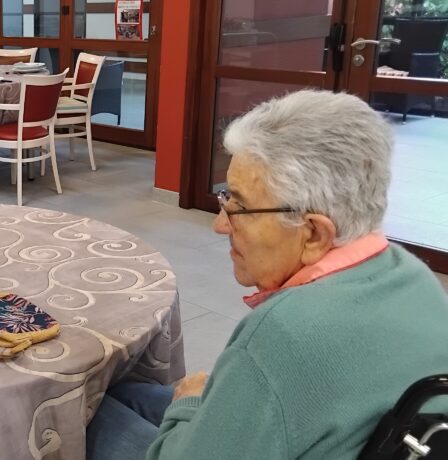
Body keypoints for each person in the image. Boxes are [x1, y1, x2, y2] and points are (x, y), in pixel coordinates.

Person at [86, 90, 448, 459]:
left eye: (239, 206)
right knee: (118, 393)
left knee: (79, 415)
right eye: (225, 197)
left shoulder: (285, 334)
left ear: (313, 234)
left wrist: (189, 404)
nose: (219, 225)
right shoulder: (417, 278)